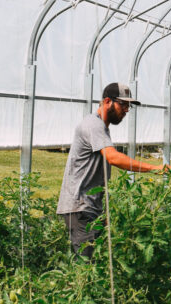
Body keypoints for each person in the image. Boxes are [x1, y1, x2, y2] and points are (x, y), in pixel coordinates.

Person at [56, 82, 162, 258]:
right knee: (86, 266)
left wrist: (103, 211)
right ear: (107, 101)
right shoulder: (93, 125)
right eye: (123, 104)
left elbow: (99, 176)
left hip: (90, 208)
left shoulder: (101, 128)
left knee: (95, 262)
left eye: (129, 106)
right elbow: (113, 158)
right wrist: (155, 169)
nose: (126, 110)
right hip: (80, 207)